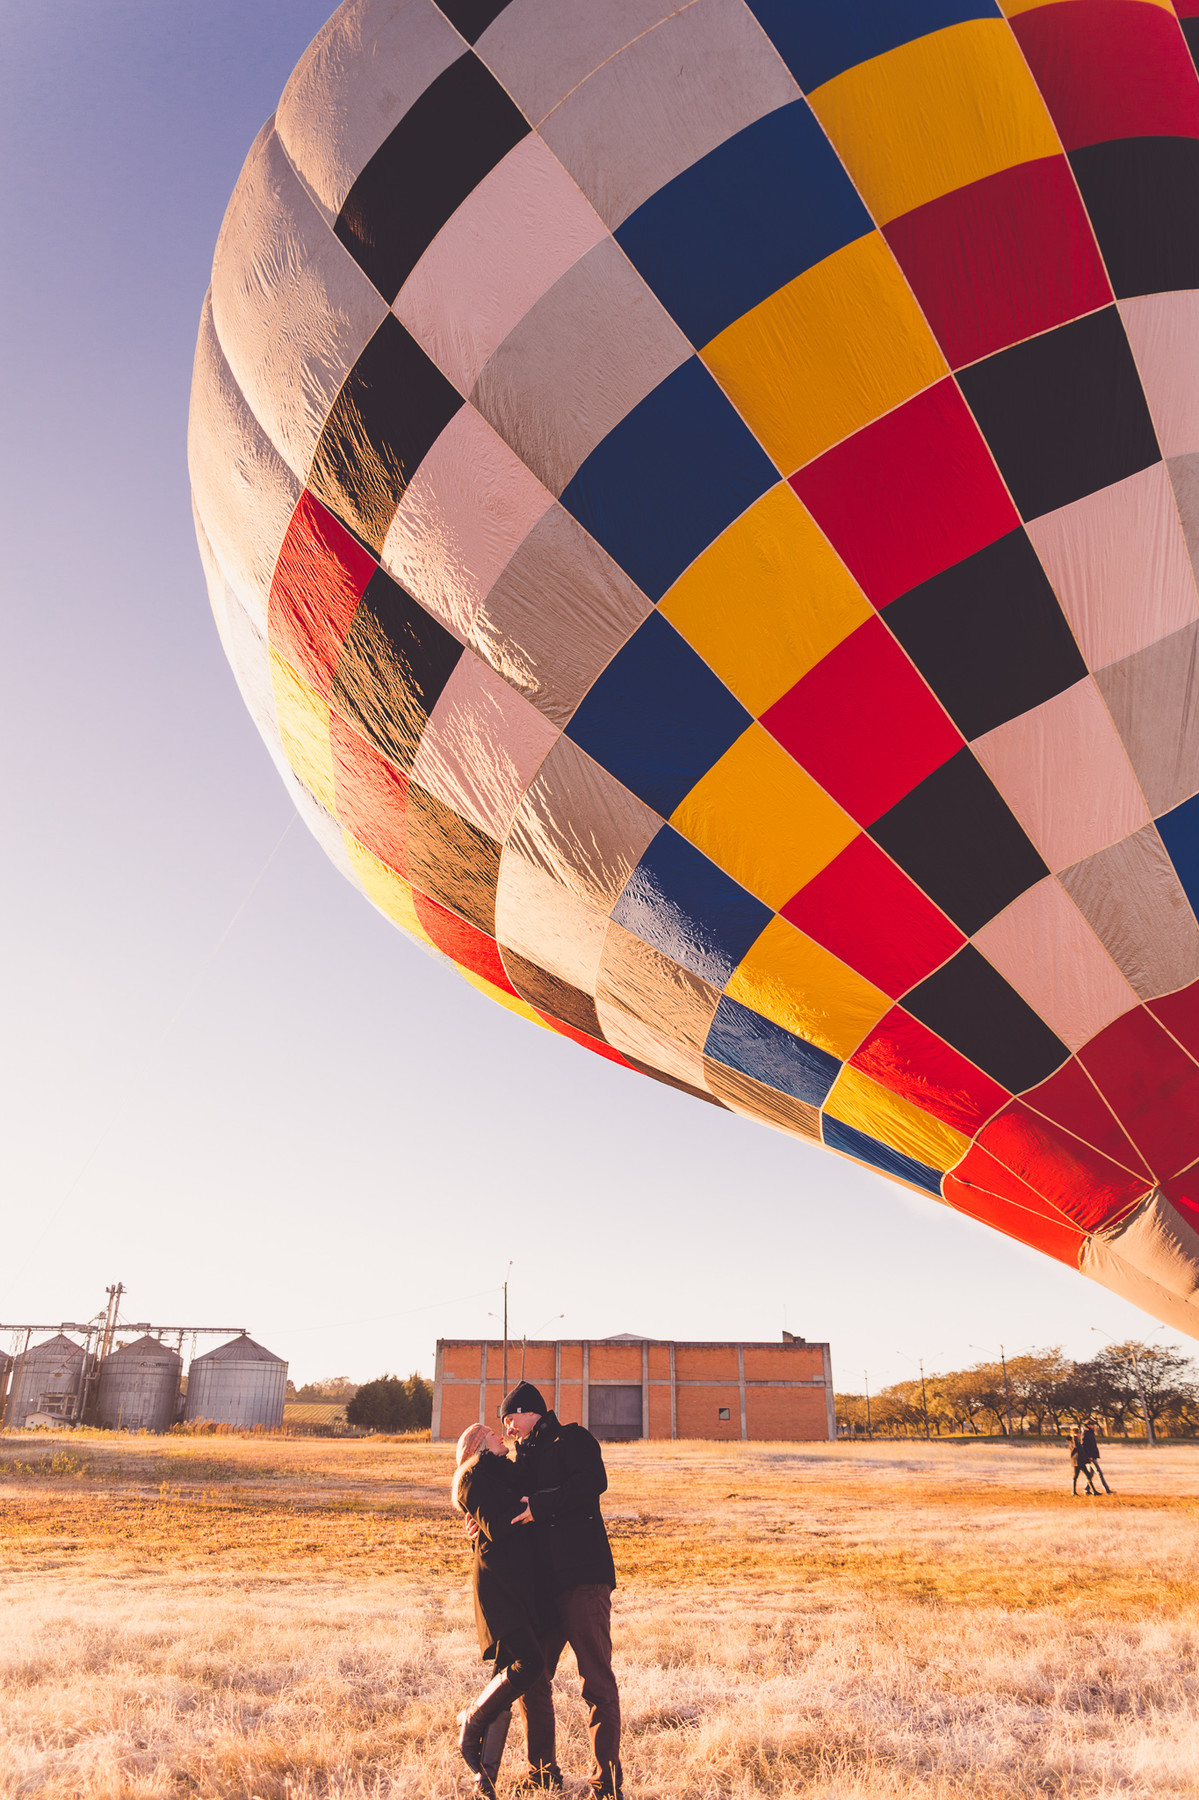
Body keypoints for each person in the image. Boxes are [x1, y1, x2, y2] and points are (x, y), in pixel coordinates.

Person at [501, 1380, 622, 1799]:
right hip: (544, 1591)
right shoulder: (522, 1458)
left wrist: (541, 1506)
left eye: (509, 1419)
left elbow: (593, 1482)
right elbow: (504, 1505)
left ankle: (605, 1785)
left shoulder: (573, 1438)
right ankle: (542, 1774)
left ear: (529, 1410)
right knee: (532, 1677)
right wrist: (477, 1518)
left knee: (596, 1682)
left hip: (583, 1580)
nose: (509, 1429)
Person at [452, 1422, 547, 1799]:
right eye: (492, 1433)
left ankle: (485, 1780)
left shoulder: (504, 1472)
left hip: (519, 1583)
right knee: (530, 1664)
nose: (500, 1435)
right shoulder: (472, 1477)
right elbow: (496, 1527)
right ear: (480, 1445)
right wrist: (527, 1509)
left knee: (503, 1677)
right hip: (498, 1585)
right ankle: (471, 1720)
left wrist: (531, 1504)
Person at [1080, 1419, 1112, 1493]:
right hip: (1090, 1457)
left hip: (1093, 1456)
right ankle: (1107, 1490)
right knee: (1099, 1472)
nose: (1093, 1426)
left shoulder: (1091, 1433)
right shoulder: (1085, 1433)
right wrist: (1088, 1456)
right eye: (1092, 1425)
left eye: (1093, 1425)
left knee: (1090, 1474)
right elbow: (1083, 1446)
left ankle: (1086, 1489)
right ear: (1088, 1425)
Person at [1069, 1429, 1097, 1495]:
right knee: (1077, 1476)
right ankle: (1074, 1491)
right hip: (1077, 1461)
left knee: (1086, 1475)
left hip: (1079, 1461)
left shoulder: (1075, 1440)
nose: (1079, 1434)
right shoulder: (1074, 1440)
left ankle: (1093, 1491)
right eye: (1078, 1433)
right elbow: (1077, 1448)